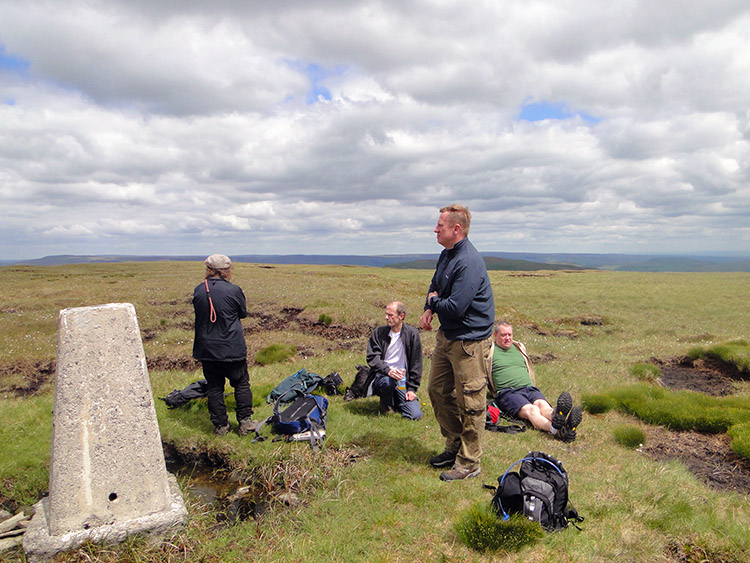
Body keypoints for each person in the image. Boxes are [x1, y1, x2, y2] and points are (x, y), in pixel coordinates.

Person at [420, 204, 495, 481]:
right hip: (448, 337)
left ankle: (470, 461)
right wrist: (429, 307)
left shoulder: (469, 261)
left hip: (469, 343)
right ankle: (453, 444)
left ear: (456, 229)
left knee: (471, 403)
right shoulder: (446, 255)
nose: (436, 229)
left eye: (440, 225)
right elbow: (434, 285)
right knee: (437, 391)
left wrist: (435, 302)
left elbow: (457, 306)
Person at [192, 254, 257, 436]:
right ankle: (245, 422)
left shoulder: (199, 290)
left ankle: (221, 426)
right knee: (242, 384)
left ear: (208, 270)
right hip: (231, 347)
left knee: (214, 387)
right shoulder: (234, 290)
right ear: (227, 270)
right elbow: (242, 313)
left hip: (207, 348)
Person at [490, 321, 582, 442]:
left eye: (510, 334)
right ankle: (556, 430)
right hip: (508, 393)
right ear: (495, 335)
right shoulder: (489, 351)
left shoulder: (519, 348)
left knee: (542, 405)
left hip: (529, 388)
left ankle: (558, 417)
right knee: (532, 410)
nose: (508, 338)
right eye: (503, 335)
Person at [365, 301, 423, 420]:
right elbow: (372, 357)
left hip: (402, 380)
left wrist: (412, 389)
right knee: (387, 382)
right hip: (383, 376)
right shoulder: (379, 333)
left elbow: (416, 363)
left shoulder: (412, 334)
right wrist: (388, 371)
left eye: (390, 315)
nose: (387, 317)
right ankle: (386, 404)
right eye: (386, 314)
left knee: (415, 415)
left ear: (401, 316)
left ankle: (397, 401)